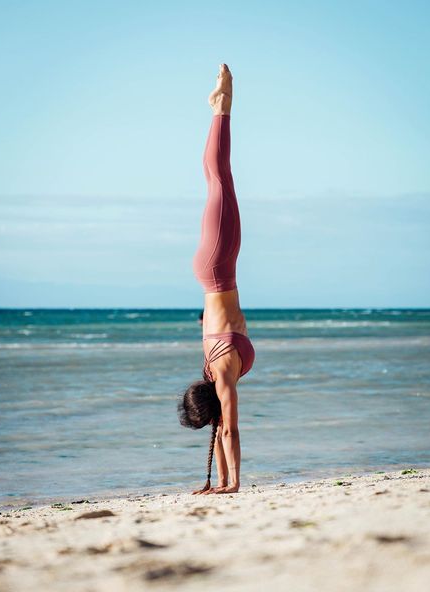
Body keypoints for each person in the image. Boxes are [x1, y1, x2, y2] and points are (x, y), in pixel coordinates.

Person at [178, 64, 255, 495]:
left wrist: (234, 485)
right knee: (215, 178)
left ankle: (221, 107)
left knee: (219, 176)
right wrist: (220, 482)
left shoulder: (222, 371)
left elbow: (229, 432)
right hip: (213, 271)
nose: (217, 421)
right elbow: (223, 429)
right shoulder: (216, 369)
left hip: (217, 266)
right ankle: (219, 109)